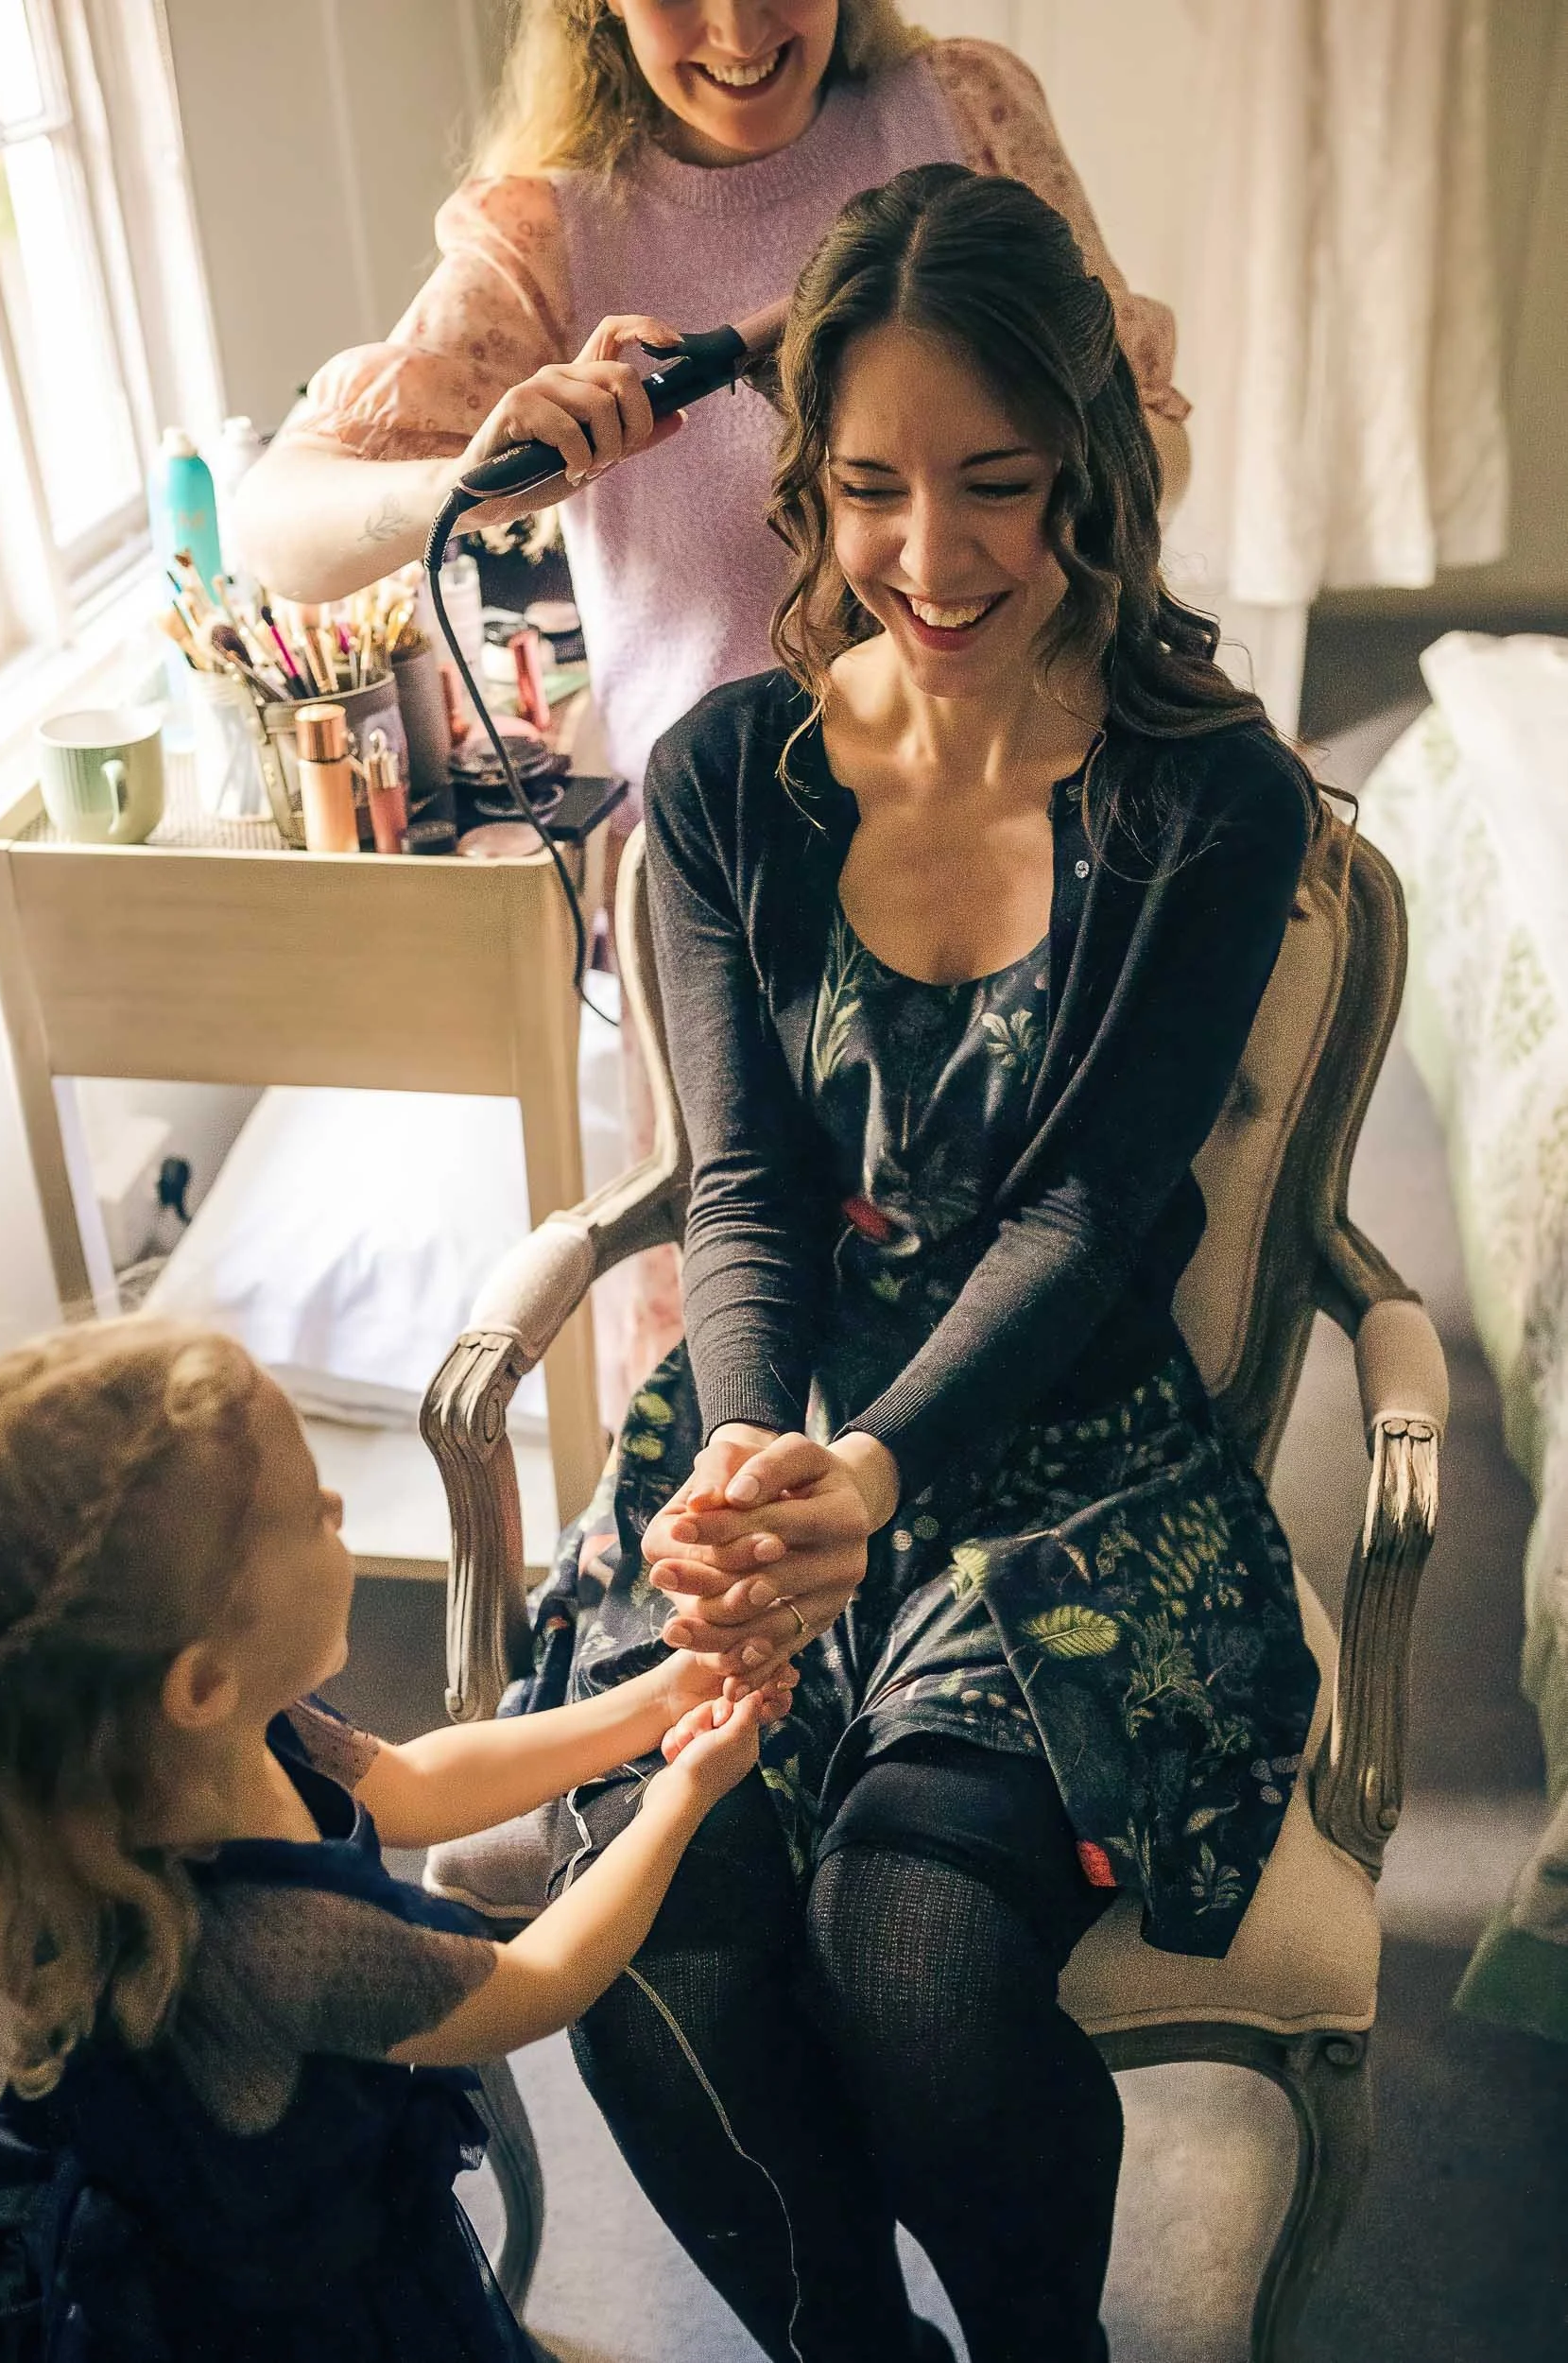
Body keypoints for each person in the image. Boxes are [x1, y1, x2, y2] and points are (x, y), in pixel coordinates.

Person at [428, 164, 1323, 2363]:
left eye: (998, 487)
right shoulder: (733, 776)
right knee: (659, 1899)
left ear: (1089, 472)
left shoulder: (1211, 803)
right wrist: (751, 1469)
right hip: (770, 1435)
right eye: (870, 491)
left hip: (1076, 1454)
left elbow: (1095, 1216)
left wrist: (879, 1484)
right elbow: (738, 1194)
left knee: (906, 1926)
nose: (931, 560)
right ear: (804, 484)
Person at [235, 0, 1193, 1392]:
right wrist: (479, 474)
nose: (739, 26)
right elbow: (282, 531)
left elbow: (1145, 444)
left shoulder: (963, 112)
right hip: (729, 891)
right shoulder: (548, 226)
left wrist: (1014, 453)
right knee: (749, 1317)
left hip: (1010, 831)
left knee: (1036, 1297)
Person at [0, 1318, 792, 2362]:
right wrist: (681, 1796)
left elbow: (414, 1783)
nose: (336, 1505)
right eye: (303, 1510)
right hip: (299, 2316)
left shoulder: (194, 1746)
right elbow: (534, 1982)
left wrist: (658, 1696)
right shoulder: (274, 1942)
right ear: (199, 1679)